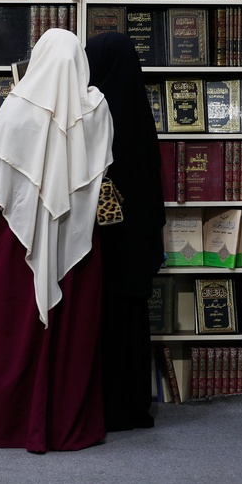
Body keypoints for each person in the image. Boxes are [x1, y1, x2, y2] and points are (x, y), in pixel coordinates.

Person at [0, 28, 114, 453]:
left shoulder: (16, 106)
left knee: (17, 332)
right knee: (74, 337)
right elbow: (101, 177)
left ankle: (8, 428)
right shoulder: (97, 108)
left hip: (19, 241)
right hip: (77, 244)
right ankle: (68, 427)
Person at [84, 31, 167, 432]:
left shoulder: (94, 113)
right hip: (135, 244)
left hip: (104, 242)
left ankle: (100, 407)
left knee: (101, 324)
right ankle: (132, 406)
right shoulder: (139, 112)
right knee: (132, 324)